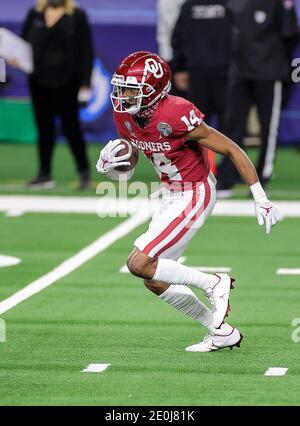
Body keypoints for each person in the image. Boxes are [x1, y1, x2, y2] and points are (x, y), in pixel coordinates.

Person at [96, 52, 280, 352]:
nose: (123, 95)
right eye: (122, 87)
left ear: (153, 90)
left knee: (138, 263)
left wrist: (259, 195)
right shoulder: (126, 115)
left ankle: (213, 283)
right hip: (169, 193)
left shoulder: (176, 113)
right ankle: (220, 332)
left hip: (195, 191)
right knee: (154, 278)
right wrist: (112, 162)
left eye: (131, 88)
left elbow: (232, 149)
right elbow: (132, 161)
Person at [216, 0, 299, 197]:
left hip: (269, 71)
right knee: (232, 125)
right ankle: (227, 177)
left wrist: (276, 60)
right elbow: (228, 29)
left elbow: (290, 34)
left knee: (268, 128)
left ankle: (261, 180)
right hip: (240, 70)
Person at [19, 0, 94, 189]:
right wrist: (16, 59)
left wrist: (85, 83)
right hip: (39, 81)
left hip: (68, 81)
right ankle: (44, 174)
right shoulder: (34, 15)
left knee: (71, 128)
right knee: (44, 128)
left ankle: (83, 172)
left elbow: (86, 51)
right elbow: (23, 44)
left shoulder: (77, 16)